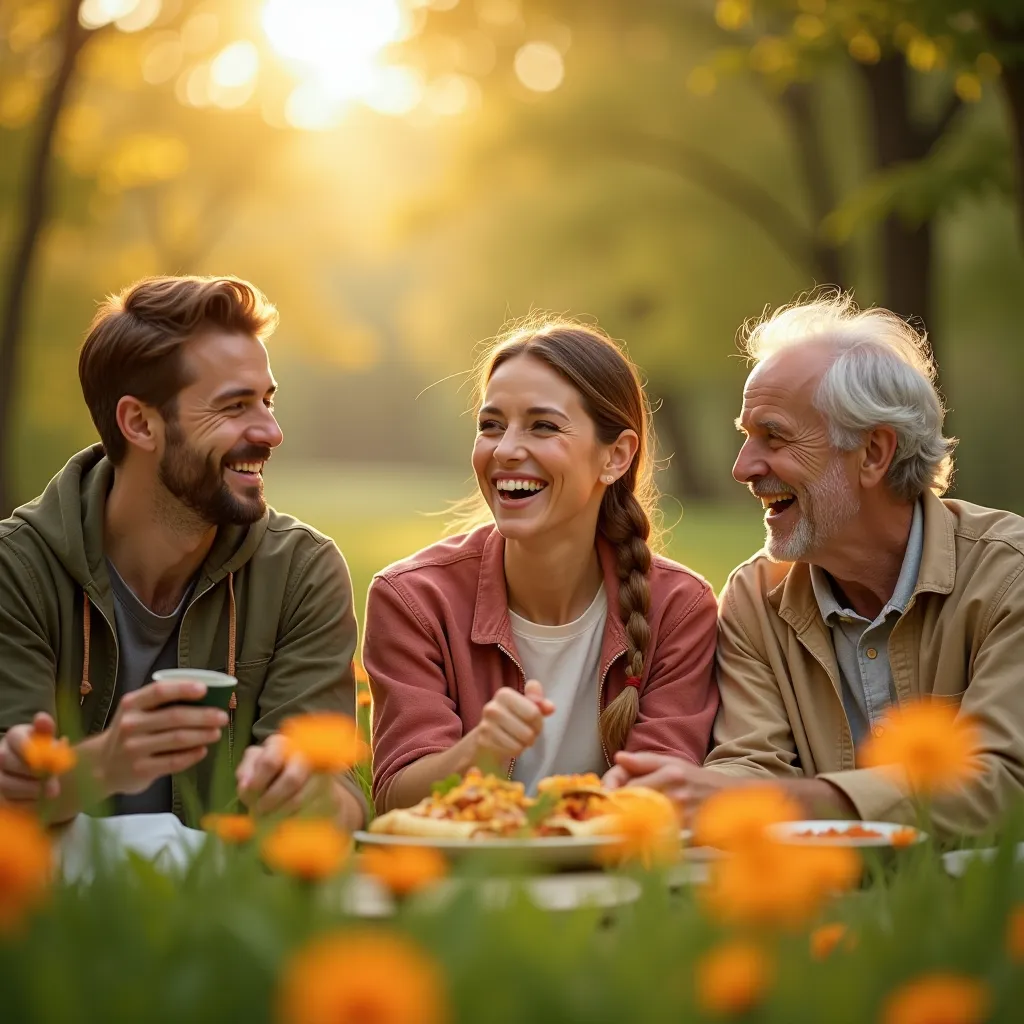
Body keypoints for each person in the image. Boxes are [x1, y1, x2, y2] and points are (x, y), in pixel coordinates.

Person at [605, 292, 1024, 837]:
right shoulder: (755, 597)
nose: (742, 467)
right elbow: (747, 765)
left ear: (874, 452)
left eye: (773, 436)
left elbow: (1005, 784)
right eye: (745, 436)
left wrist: (791, 798)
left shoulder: (1008, 576)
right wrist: (695, 795)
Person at [0, 275, 365, 830]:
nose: (271, 431)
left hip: (221, 911)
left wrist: (302, 791)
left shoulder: (301, 573)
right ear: (139, 423)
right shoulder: (17, 571)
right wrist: (101, 766)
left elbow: (340, 805)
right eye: (234, 407)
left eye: (267, 401)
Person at [363, 321, 719, 812]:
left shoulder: (679, 608)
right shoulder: (413, 599)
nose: (505, 449)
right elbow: (395, 800)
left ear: (616, 456)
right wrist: (479, 752)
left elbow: (663, 799)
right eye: (491, 425)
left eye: (543, 426)